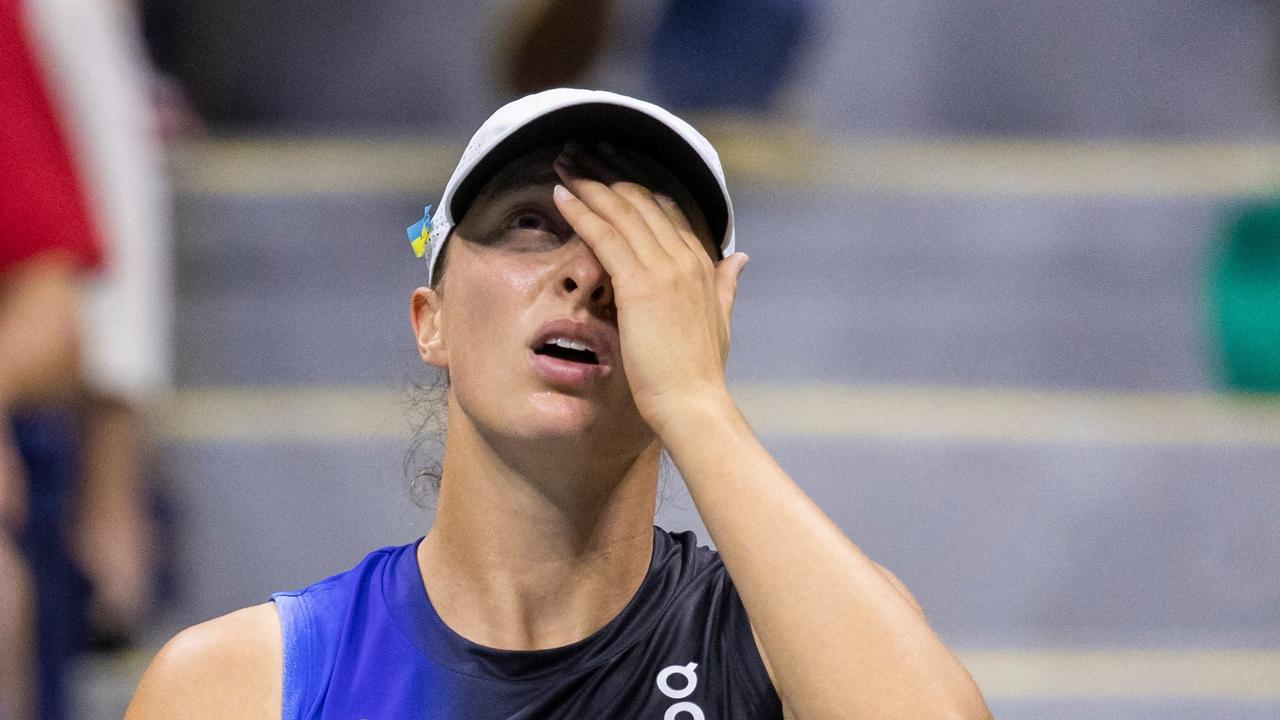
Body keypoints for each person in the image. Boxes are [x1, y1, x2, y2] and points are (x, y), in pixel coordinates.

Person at [125, 88, 992, 719]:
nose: (585, 273)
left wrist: (695, 401)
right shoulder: (240, 686)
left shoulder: (786, 649)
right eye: (531, 224)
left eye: (642, 246)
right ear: (432, 321)